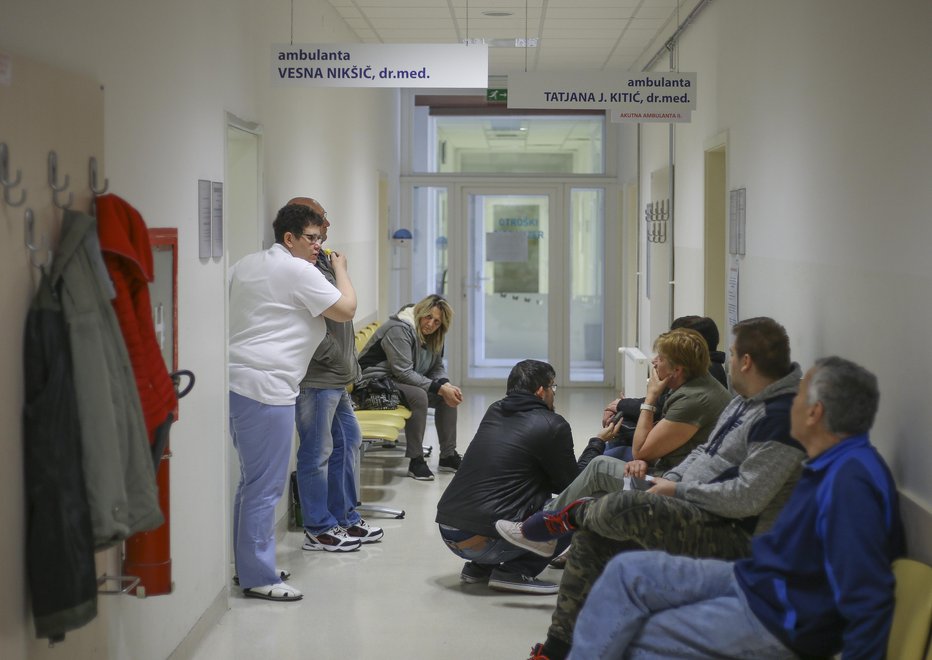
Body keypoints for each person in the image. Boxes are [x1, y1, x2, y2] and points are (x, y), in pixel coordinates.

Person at [498, 317, 806, 660]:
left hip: (735, 535)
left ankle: (572, 514)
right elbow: (705, 454)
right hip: (699, 505)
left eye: (732, 355)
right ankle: (555, 650)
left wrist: (677, 491)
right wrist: (672, 481)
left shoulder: (782, 417)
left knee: (623, 506)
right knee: (591, 539)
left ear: (746, 361)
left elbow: (747, 499)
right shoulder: (746, 401)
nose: (728, 362)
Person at [568, 356, 905, 660]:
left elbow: (868, 599)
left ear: (815, 413)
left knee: (638, 638)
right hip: (754, 579)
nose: (790, 404)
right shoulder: (827, 464)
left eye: (799, 397)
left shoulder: (851, 481)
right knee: (626, 573)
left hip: (779, 619)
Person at [228, 203, 356, 601]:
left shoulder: (247, 264)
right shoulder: (296, 270)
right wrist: (342, 272)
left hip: (239, 383)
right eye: (312, 238)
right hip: (268, 389)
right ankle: (259, 577)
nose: (318, 246)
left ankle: (249, 566)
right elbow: (346, 308)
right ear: (289, 238)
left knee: (252, 483)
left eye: (322, 239)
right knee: (264, 487)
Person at [435, 360, 613, 594]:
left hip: (450, 532)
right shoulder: (553, 424)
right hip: (485, 541)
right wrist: (597, 443)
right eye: (553, 388)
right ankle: (516, 571)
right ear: (541, 391)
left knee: (511, 485)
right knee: (580, 508)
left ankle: (480, 568)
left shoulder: (495, 410)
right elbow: (572, 486)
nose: (553, 395)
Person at [289, 197, 382, 554]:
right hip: (317, 377)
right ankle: (318, 527)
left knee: (348, 441)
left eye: (324, 222)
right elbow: (343, 307)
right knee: (316, 452)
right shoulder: (304, 266)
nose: (325, 228)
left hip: (337, 375)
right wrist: (342, 270)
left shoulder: (322, 259)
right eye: (317, 223)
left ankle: (343, 516)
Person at [357, 294, 463, 480]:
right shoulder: (399, 329)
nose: (431, 324)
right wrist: (439, 388)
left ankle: (448, 456)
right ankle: (416, 460)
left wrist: (445, 384)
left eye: (437, 322)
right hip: (372, 385)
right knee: (419, 395)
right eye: (428, 317)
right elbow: (403, 372)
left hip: (396, 382)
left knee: (446, 396)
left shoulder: (434, 336)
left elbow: (436, 367)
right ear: (420, 312)